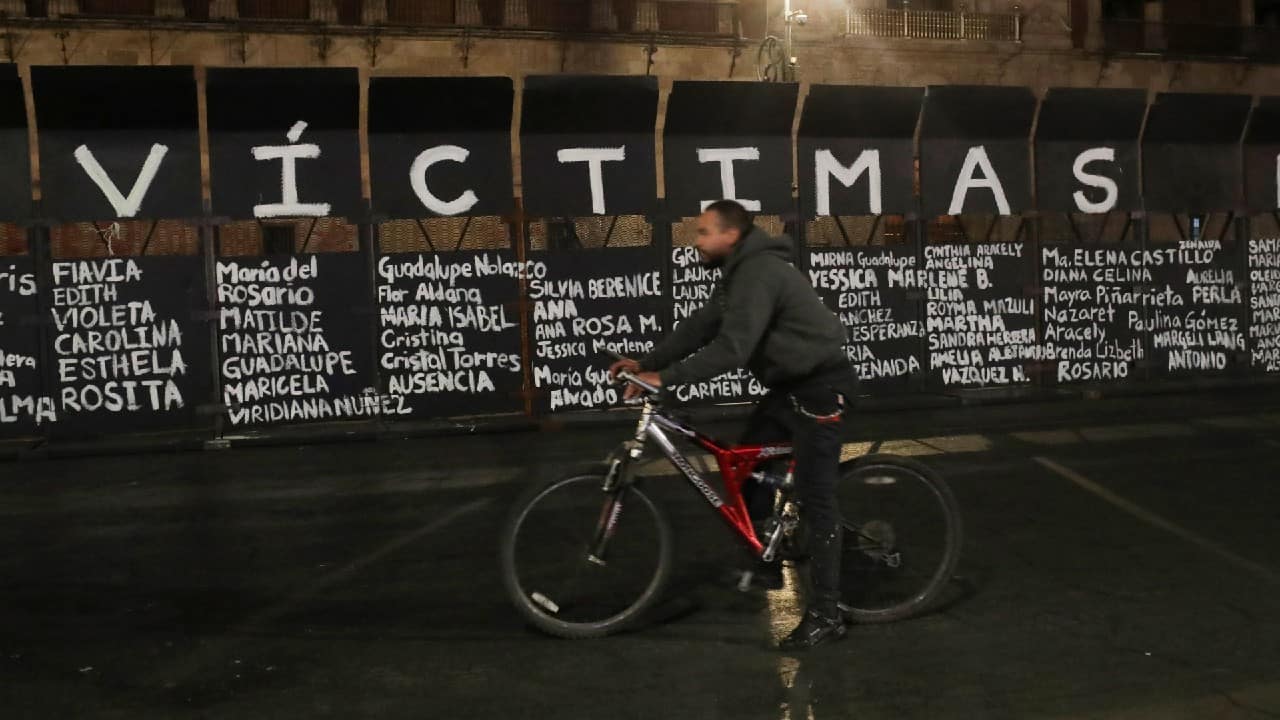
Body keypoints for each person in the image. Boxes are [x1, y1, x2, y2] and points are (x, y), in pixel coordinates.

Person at [609, 199, 857, 650]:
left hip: (819, 388)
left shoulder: (758, 272)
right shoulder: (737, 275)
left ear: (731, 235)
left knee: (819, 500)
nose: (696, 240)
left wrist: (664, 378)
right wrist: (646, 363)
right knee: (745, 474)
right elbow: (700, 327)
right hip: (789, 387)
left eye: (704, 232)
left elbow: (732, 349)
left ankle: (827, 612)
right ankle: (766, 558)